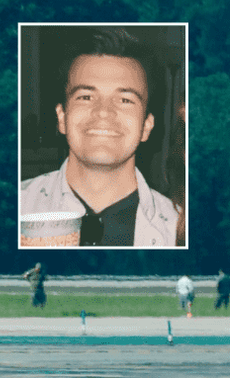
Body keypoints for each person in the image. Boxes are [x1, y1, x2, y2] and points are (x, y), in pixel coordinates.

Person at [19, 27, 178, 246]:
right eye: (86, 97)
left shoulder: (177, 228)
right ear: (62, 117)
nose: (103, 112)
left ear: (147, 126)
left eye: (125, 100)